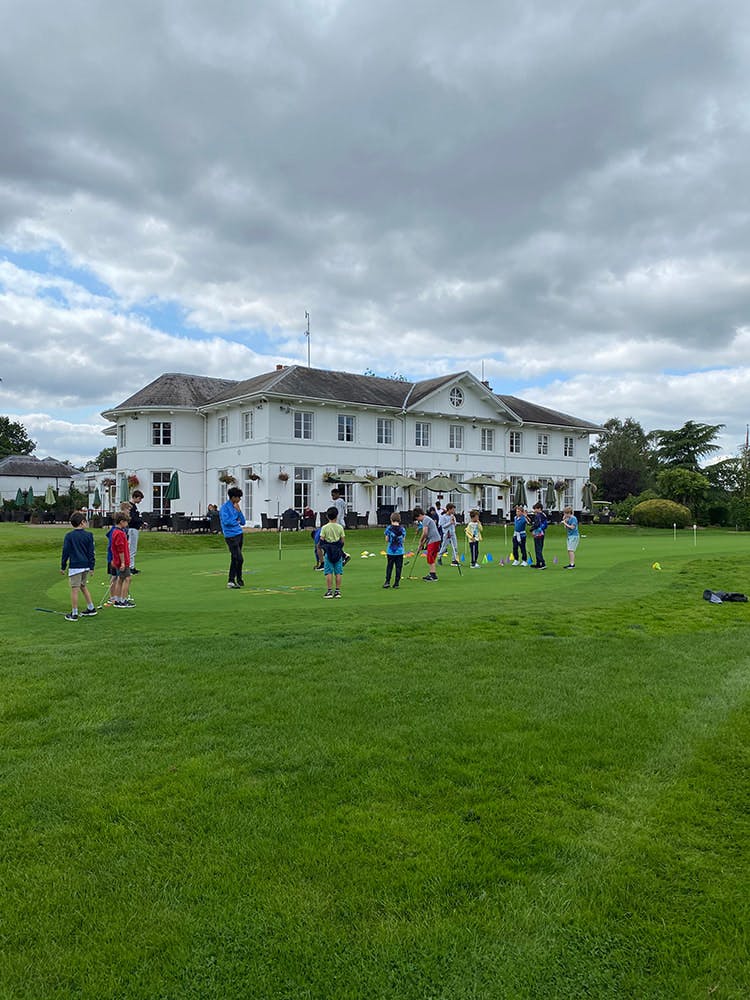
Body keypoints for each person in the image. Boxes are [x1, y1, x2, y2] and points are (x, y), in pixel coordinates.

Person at [60, 511, 97, 620]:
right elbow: (91, 552)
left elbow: (65, 552)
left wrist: (63, 566)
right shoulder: (89, 535)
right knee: (82, 586)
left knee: (75, 589)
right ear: (82, 523)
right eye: (85, 521)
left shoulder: (69, 536)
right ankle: (91, 608)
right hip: (85, 566)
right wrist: (92, 566)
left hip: (75, 566)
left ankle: (74, 613)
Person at [220, 487, 246, 588]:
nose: (240, 499)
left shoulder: (236, 507)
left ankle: (236, 579)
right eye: (238, 497)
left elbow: (243, 522)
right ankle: (233, 579)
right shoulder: (225, 508)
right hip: (230, 536)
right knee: (239, 558)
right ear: (233, 497)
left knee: (235, 558)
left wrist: (239, 511)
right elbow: (227, 522)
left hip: (239, 534)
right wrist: (236, 521)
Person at [320, 505, 345, 598]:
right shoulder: (340, 527)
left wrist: (324, 547)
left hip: (328, 551)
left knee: (329, 571)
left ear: (327, 516)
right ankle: (337, 591)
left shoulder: (325, 527)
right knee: (338, 572)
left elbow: (321, 540)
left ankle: (329, 591)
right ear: (337, 516)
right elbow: (342, 540)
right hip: (338, 551)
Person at [110, 513, 135, 607]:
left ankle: (117, 599)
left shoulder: (116, 532)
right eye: (126, 522)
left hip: (118, 560)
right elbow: (120, 550)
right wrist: (123, 562)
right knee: (127, 578)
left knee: (120, 579)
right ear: (121, 522)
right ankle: (123, 600)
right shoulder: (119, 533)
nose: (127, 524)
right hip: (122, 561)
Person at [413, 505, 441, 581]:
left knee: (430, 557)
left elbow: (425, 533)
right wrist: (422, 544)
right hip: (434, 539)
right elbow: (427, 535)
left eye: (417, 518)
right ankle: (432, 573)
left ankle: (433, 576)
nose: (418, 520)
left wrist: (420, 541)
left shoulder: (425, 519)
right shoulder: (427, 519)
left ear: (419, 515)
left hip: (434, 540)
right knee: (431, 557)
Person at [383, 512, 406, 588]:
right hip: (399, 551)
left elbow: (386, 539)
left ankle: (387, 581)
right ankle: (396, 583)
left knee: (389, 566)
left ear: (391, 519)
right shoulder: (402, 529)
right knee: (398, 567)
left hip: (391, 551)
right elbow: (403, 540)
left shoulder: (389, 528)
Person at [330, 489, 351, 565]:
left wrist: (334, 523)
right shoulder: (341, 501)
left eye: (333, 495)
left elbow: (337, 514)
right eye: (332, 495)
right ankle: (342, 556)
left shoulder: (338, 502)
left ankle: (343, 556)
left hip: (338, 524)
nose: (332, 497)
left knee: (334, 542)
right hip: (340, 524)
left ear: (338, 494)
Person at [437, 502, 460, 567]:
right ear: (449, 509)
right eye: (452, 509)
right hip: (446, 534)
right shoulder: (443, 517)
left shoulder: (453, 516)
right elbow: (443, 526)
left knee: (455, 547)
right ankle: (439, 557)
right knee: (444, 547)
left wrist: (454, 522)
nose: (453, 511)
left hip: (452, 533)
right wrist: (450, 523)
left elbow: (454, 524)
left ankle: (454, 560)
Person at [128, 490, 144, 573]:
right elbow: (133, 519)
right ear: (134, 497)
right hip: (132, 529)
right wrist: (141, 522)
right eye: (139, 498)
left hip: (135, 529)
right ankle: (131, 567)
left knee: (132, 548)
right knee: (131, 548)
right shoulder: (131, 507)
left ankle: (131, 566)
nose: (140, 500)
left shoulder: (134, 506)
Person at [530, 501, 548, 569]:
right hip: (542, 532)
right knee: (539, 547)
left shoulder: (538, 515)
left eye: (535, 509)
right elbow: (545, 525)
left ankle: (542, 563)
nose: (534, 510)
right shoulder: (544, 515)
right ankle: (538, 563)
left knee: (538, 548)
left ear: (539, 509)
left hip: (538, 533)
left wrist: (531, 529)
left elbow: (536, 524)